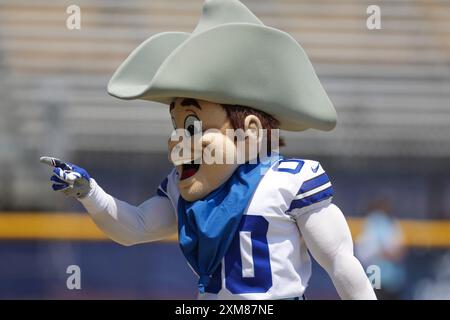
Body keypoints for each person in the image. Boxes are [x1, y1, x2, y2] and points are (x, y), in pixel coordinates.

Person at [41, 0, 375, 300]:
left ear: (250, 132)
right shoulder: (183, 191)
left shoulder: (291, 181)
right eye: (176, 127)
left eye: (192, 127)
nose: (176, 141)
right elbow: (137, 227)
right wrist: (91, 194)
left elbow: (341, 262)